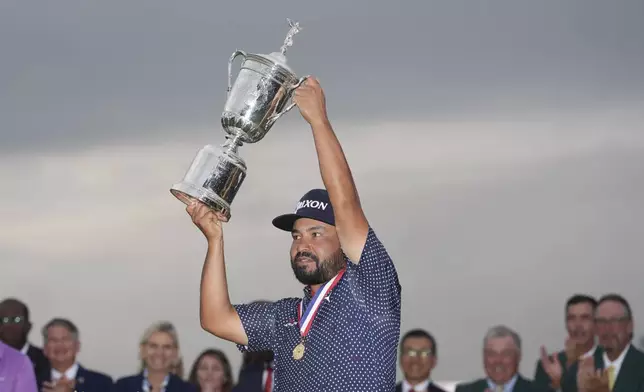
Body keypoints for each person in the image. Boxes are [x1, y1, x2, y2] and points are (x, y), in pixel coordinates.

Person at [187, 77, 402, 391]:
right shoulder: (286, 316)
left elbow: (345, 202)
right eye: (297, 236)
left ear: (344, 240)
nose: (303, 244)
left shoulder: (370, 289)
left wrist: (318, 121)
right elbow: (216, 319)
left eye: (317, 234)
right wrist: (214, 239)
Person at [575, 294, 644, 392]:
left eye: (614, 321)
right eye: (601, 321)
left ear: (630, 326)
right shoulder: (581, 369)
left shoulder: (641, 367)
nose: (607, 328)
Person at [535, 294, 598, 391]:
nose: (578, 325)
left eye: (585, 318)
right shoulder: (548, 366)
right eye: (572, 318)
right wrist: (556, 384)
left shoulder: (612, 361)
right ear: (566, 324)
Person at [455, 325, 543, 392]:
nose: (498, 361)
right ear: (484, 357)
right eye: (492, 354)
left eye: (506, 354)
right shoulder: (464, 390)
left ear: (518, 356)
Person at [113, 321, 196, 392]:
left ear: (175, 353)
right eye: (153, 346)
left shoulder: (188, 389)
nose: (159, 353)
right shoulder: (123, 387)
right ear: (143, 350)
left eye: (166, 347)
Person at [39, 318, 112, 392]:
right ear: (45, 349)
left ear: (77, 346)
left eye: (65, 339)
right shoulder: (33, 381)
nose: (59, 345)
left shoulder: (101, 382)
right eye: (53, 340)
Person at [0, 298, 49, 384]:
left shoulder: (47, 362)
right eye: (3, 320)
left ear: (28, 326)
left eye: (16, 320)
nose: (9, 325)